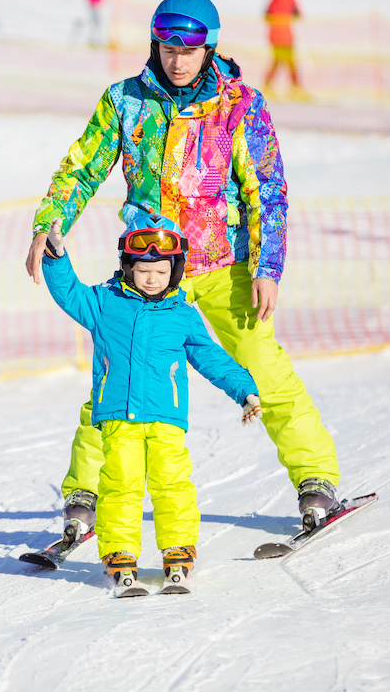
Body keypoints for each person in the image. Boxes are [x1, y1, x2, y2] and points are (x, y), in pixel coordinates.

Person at [25, 0, 342, 550]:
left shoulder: (239, 104)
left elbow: (267, 189)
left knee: (263, 371)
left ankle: (315, 481)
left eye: (190, 50)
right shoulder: (125, 101)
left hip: (225, 264)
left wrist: (268, 266)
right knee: (115, 379)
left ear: (208, 49)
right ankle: (85, 496)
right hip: (149, 270)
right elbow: (83, 166)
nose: (177, 61)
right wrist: (49, 223)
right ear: (155, 44)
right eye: (169, 47)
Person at [40, 212, 264, 594]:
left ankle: (178, 548)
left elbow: (212, 357)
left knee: (172, 484)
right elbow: (69, 293)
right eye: (143, 269)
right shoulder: (105, 302)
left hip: (166, 418)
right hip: (117, 417)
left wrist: (244, 389)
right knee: (120, 485)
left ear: (174, 273)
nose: (151, 278)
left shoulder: (183, 315)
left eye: (161, 271)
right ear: (127, 267)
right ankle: (120, 552)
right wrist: (56, 256)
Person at [263, 0, 305, 97]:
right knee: (291, 62)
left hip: (274, 37)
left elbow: (266, 15)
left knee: (276, 61)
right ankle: (295, 88)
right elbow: (299, 14)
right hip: (286, 37)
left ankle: (268, 85)